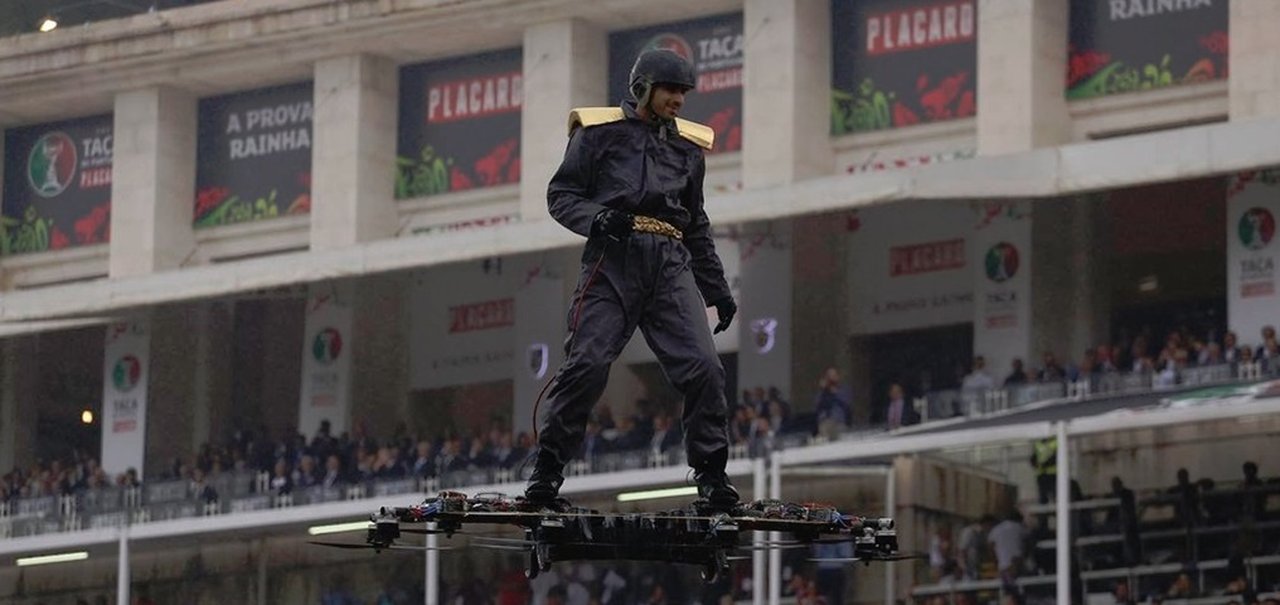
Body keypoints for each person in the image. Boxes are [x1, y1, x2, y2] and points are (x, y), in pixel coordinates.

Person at [525, 49, 738, 508]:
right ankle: (547, 470)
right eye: (671, 90)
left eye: (683, 91)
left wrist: (717, 289)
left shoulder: (689, 147)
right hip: (612, 262)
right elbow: (561, 194)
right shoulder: (598, 133)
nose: (679, 100)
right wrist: (599, 219)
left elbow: (695, 222)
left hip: (670, 264)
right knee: (588, 365)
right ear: (642, 87)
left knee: (705, 366)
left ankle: (712, 475)